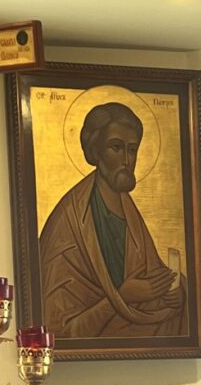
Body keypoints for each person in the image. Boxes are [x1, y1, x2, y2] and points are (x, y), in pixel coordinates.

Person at [39, 101, 186, 339]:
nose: (127, 160)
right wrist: (121, 297)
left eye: (132, 149)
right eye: (116, 148)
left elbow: (151, 276)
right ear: (95, 152)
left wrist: (175, 294)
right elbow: (56, 324)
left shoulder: (128, 210)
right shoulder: (69, 220)